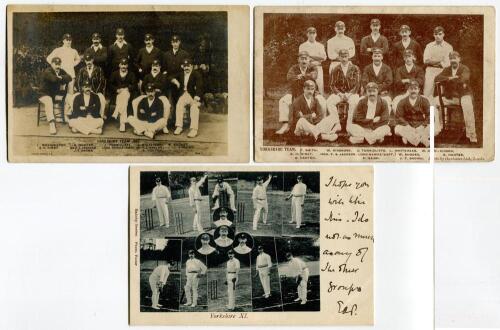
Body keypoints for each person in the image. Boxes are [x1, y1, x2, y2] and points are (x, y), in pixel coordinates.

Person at [275, 51, 326, 135]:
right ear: (298, 60)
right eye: (302, 59)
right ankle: (285, 124)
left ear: (309, 60)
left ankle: (321, 125)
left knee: (322, 101)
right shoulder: (294, 68)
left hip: (311, 91)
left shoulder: (313, 67)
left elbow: (314, 76)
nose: (304, 61)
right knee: (283, 100)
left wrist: (301, 76)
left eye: (306, 59)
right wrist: (298, 77)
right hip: (295, 91)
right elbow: (289, 77)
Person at [434, 51, 477, 143]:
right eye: (451, 59)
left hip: (463, 96)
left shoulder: (464, 68)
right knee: (433, 102)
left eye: (455, 58)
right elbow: (436, 78)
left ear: (459, 59)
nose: (453, 60)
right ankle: (439, 128)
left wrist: (451, 80)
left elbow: (463, 79)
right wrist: (449, 78)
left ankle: (471, 135)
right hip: (451, 97)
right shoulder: (447, 69)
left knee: (467, 106)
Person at [326, 48, 361, 125]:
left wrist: (349, 94)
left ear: (348, 56)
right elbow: (332, 85)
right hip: (339, 94)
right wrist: (339, 94)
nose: (344, 59)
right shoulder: (335, 69)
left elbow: (358, 84)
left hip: (352, 93)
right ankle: (336, 123)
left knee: (354, 102)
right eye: (342, 56)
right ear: (339, 57)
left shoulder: (355, 68)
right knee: (329, 102)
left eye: (345, 56)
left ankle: (350, 124)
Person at [38, 57, 72, 135]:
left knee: (69, 97)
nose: (57, 66)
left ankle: (67, 116)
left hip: (54, 95)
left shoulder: (61, 71)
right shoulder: (48, 71)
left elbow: (69, 77)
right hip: (44, 94)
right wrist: (62, 78)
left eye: (59, 64)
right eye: (55, 64)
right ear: (51, 64)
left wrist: (61, 77)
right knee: (49, 101)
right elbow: (53, 79)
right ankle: (52, 123)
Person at [171, 58, 203, 138]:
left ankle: (194, 129)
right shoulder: (181, 74)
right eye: (185, 66)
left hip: (194, 95)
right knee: (179, 105)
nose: (186, 68)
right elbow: (170, 77)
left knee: (194, 108)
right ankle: (179, 126)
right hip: (184, 94)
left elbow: (200, 87)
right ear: (182, 67)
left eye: (188, 66)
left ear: (191, 66)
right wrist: (175, 81)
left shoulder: (196, 74)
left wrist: (197, 97)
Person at [394, 79, 431, 147]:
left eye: (415, 89)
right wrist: (407, 125)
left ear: (419, 89)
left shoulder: (424, 100)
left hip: (420, 125)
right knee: (397, 129)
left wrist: (423, 125)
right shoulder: (402, 101)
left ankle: (409, 138)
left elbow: (430, 115)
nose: (413, 91)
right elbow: (399, 116)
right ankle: (422, 140)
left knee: (431, 128)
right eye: (411, 89)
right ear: (408, 90)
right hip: (408, 126)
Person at [139, 59, 171, 133]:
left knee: (167, 105)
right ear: (151, 67)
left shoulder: (162, 76)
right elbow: (143, 87)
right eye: (153, 66)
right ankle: (140, 123)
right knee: (135, 102)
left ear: (160, 67)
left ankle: (164, 125)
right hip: (148, 95)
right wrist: (155, 88)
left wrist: (151, 85)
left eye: (157, 66)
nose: (155, 68)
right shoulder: (147, 76)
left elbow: (164, 86)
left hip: (160, 95)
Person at [423, 26, 453, 99]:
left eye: (440, 34)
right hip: (430, 70)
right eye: (436, 34)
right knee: (427, 92)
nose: (438, 36)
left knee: (442, 94)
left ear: (443, 34)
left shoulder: (448, 47)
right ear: (433, 35)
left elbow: (447, 63)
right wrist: (440, 61)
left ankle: (442, 110)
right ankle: (431, 110)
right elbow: (426, 61)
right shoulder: (429, 46)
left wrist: (432, 61)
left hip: (442, 71)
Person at [108, 58, 137, 132]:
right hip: (117, 94)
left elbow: (134, 85)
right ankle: (123, 122)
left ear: (127, 65)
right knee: (122, 97)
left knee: (124, 94)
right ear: (119, 65)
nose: (123, 66)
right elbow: (110, 84)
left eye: (125, 64)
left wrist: (128, 88)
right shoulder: (114, 73)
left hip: (128, 94)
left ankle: (118, 115)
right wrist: (117, 90)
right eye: (122, 64)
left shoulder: (131, 74)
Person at [361, 48, 393, 112]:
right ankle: (368, 120)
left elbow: (388, 82)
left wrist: (378, 90)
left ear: (382, 57)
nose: (377, 58)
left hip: (383, 93)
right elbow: (365, 81)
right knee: (362, 101)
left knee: (386, 102)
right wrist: (372, 91)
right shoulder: (367, 68)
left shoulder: (387, 68)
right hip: (369, 92)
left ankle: (384, 121)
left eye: (379, 56)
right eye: (375, 56)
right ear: (372, 57)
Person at [299, 27, 327, 95]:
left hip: (318, 67)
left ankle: (319, 103)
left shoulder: (320, 45)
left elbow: (323, 58)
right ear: (307, 34)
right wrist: (317, 57)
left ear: (316, 34)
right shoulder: (303, 46)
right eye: (310, 33)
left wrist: (310, 56)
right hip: (307, 68)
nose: (312, 35)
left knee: (319, 87)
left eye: (313, 33)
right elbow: (302, 58)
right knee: (307, 85)